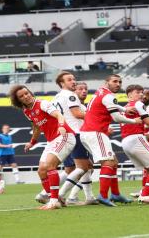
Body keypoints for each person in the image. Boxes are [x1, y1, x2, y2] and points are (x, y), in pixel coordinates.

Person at [79, 74, 142, 206]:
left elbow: (106, 105)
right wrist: (133, 121)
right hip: (95, 132)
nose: (118, 84)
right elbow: (117, 118)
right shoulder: (109, 96)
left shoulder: (100, 92)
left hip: (88, 132)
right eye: (114, 81)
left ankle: (116, 194)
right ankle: (103, 195)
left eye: (120, 82)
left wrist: (124, 109)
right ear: (106, 82)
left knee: (113, 161)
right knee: (108, 162)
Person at [10, 85, 76, 210]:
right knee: (41, 171)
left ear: (30, 92)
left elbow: (58, 115)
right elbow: (36, 127)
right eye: (22, 96)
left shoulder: (43, 104)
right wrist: (32, 142)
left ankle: (54, 201)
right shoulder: (27, 111)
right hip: (52, 140)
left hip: (64, 135)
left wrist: (61, 125)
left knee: (50, 166)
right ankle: (55, 199)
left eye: (27, 93)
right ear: (18, 100)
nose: (26, 96)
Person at [45, 73, 97, 206]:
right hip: (76, 133)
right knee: (83, 167)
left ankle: (88, 197)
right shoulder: (70, 95)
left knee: (79, 167)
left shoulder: (56, 97)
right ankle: (61, 195)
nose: (73, 82)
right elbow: (77, 114)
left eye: (74, 79)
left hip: (64, 135)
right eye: (69, 80)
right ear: (62, 83)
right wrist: (97, 117)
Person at [121, 84, 149, 204]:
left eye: (141, 92)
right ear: (129, 94)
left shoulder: (126, 107)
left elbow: (131, 128)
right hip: (136, 140)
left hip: (126, 142)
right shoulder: (138, 104)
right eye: (138, 92)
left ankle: (143, 192)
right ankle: (145, 195)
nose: (141, 95)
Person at [65, 82, 97, 205]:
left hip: (78, 138)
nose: (84, 91)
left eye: (85, 89)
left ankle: (81, 197)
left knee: (87, 168)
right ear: (74, 91)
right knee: (77, 169)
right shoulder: (73, 105)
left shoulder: (83, 107)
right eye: (80, 89)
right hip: (73, 138)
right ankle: (51, 194)